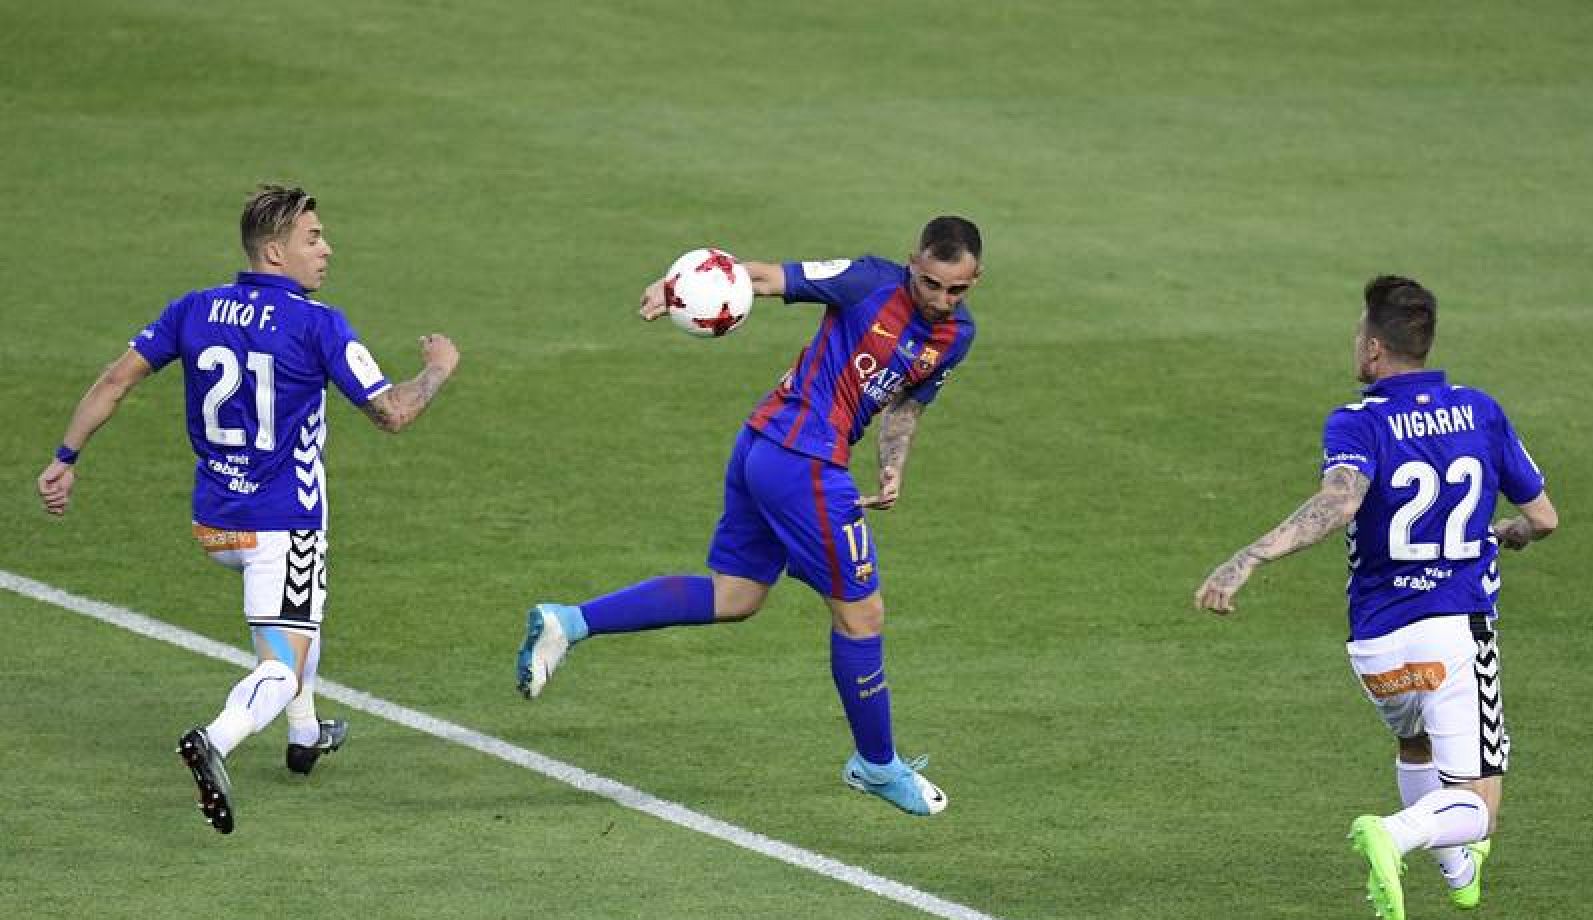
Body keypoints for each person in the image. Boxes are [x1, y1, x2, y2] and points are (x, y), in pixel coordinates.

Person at [516, 217, 983, 816]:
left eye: (957, 290)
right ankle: (876, 764)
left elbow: (907, 404)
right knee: (862, 616)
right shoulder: (868, 281)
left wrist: (893, 466)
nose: (942, 301)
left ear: (974, 281)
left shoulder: (957, 335)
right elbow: (763, 276)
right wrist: (675, 286)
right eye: (931, 284)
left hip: (768, 448)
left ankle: (569, 622)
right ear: (911, 262)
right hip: (801, 458)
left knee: (736, 596)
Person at [37, 184, 461, 835]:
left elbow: (116, 380)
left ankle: (306, 735)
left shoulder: (195, 309)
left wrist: (65, 457)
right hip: (282, 522)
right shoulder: (319, 324)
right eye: (312, 239)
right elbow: (392, 413)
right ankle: (216, 739)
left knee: (301, 612)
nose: (327, 249)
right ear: (274, 251)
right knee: (280, 661)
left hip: (215, 523)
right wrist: (437, 369)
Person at [1195, 275, 1558, 920]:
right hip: (1454, 632)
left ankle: (1456, 875)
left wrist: (1248, 557)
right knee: (1479, 806)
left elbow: (1339, 501)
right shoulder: (1480, 410)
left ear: (1372, 351)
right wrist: (1514, 532)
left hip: (1377, 649)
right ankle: (1396, 834)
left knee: (1416, 743)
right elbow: (1545, 517)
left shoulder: (1358, 421)